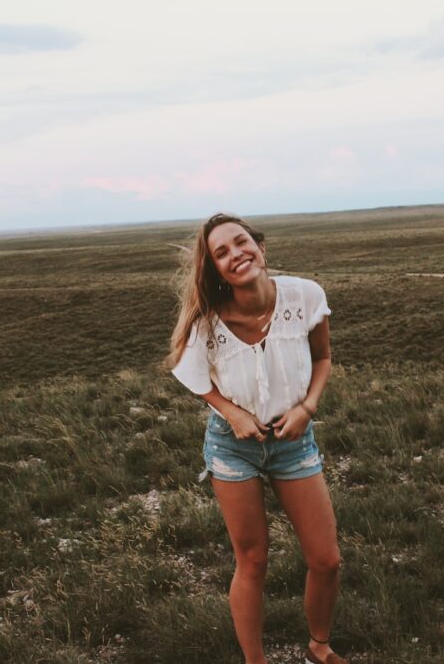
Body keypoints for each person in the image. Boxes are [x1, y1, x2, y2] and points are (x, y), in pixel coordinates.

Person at [167, 213, 346, 664]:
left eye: (241, 242)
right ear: (216, 270)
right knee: (253, 560)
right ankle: (255, 661)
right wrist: (232, 413)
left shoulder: (305, 295)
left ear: (261, 247)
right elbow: (193, 378)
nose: (236, 255)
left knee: (326, 559)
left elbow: (322, 357)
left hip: (293, 442)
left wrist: (307, 408)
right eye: (221, 253)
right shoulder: (207, 324)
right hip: (233, 447)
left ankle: (319, 647)